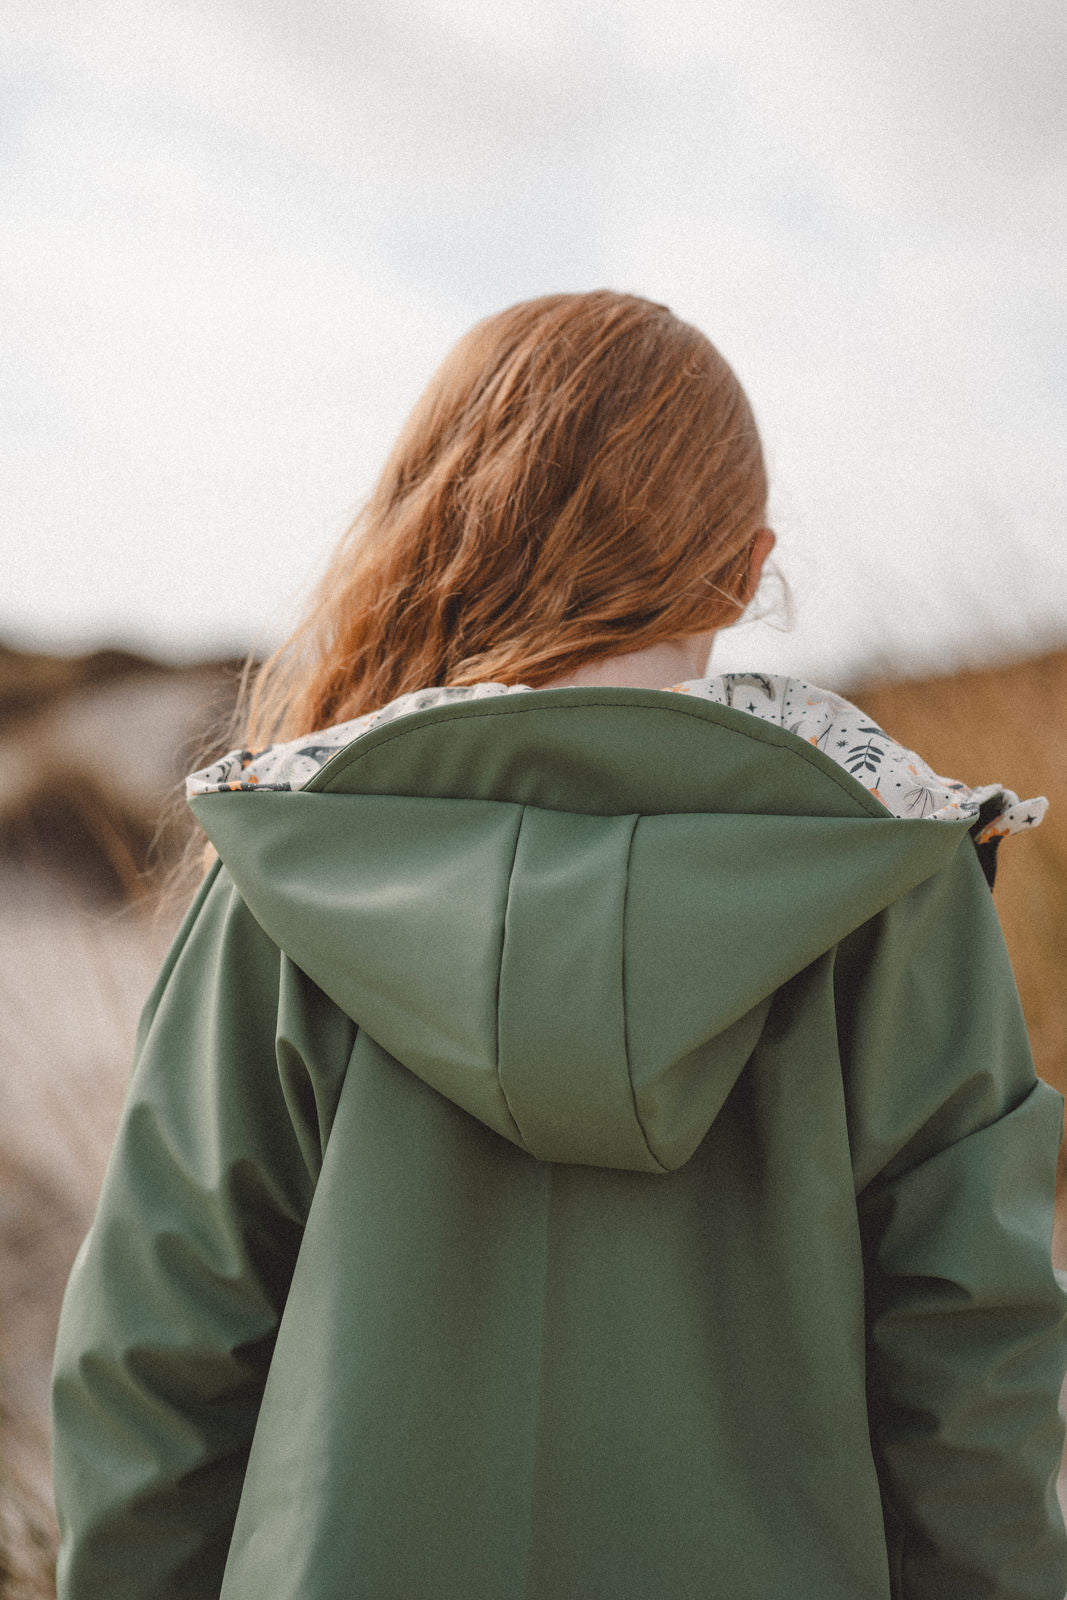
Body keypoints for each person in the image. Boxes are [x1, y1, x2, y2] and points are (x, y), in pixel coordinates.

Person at [52, 291, 1066, 1599]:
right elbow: (973, 1368)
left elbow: (153, 1363)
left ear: (444, 522)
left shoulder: (289, 869)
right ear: (748, 566)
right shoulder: (892, 885)